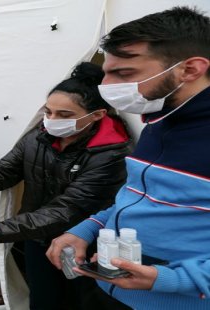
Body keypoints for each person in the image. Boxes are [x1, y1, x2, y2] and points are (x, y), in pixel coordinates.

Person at [46, 6, 210, 309]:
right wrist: (86, 228)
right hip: (110, 287)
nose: (105, 87)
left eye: (124, 74)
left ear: (189, 69)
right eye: (107, 72)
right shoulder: (158, 119)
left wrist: (169, 279)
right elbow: (136, 198)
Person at [0, 62, 131, 309]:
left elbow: (65, 210)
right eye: (48, 112)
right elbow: (1, 173)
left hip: (83, 243)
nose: (51, 120)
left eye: (64, 115)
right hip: (35, 237)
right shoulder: (37, 137)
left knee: (80, 300)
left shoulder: (110, 154)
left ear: (97, 115)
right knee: (42, 298)